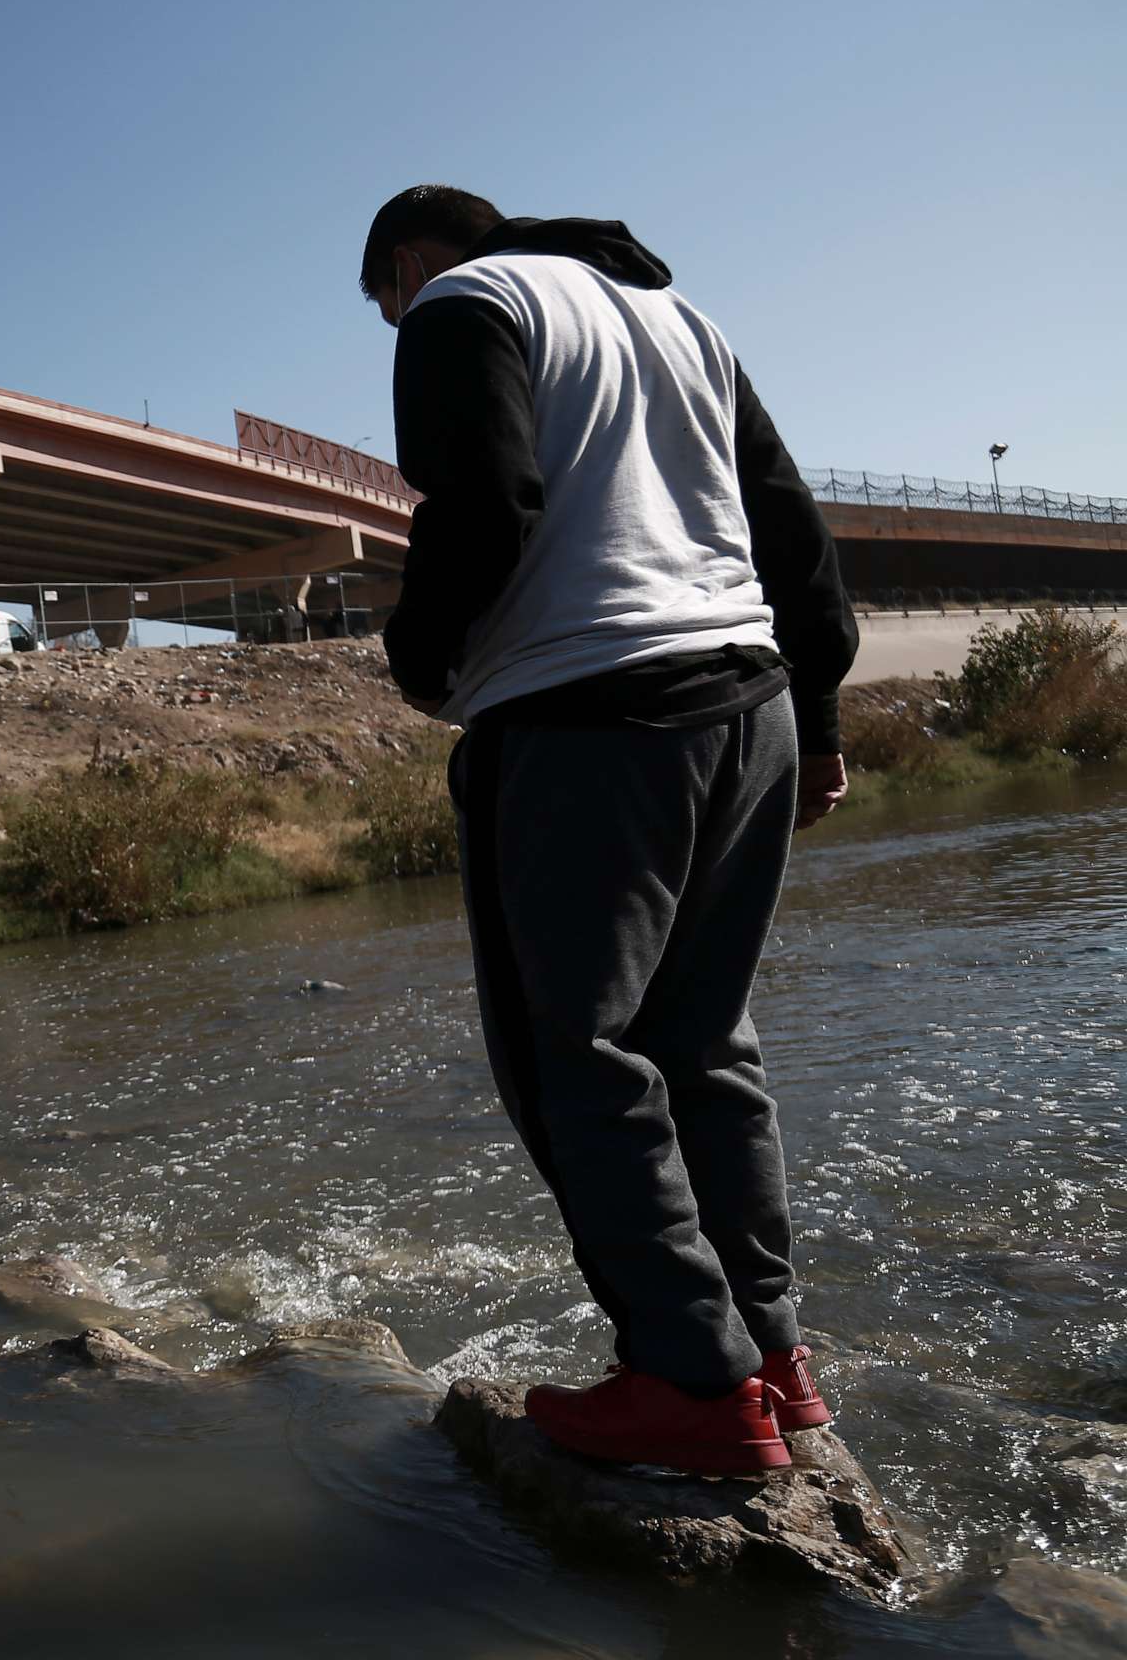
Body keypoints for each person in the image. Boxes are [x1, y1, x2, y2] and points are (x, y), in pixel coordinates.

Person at [360, 186, 858, 1476]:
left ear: (410, 261)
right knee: (706, 1046)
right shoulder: (676, 312)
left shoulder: (469, 302)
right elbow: (792, 529)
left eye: (384, 301)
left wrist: (418, 663)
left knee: (577, 1058)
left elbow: (485, 499)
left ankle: (693, 1387)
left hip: (592, 725)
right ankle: (775, 1361)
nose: (393, 321)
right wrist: (826, 714)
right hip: (749, 708)